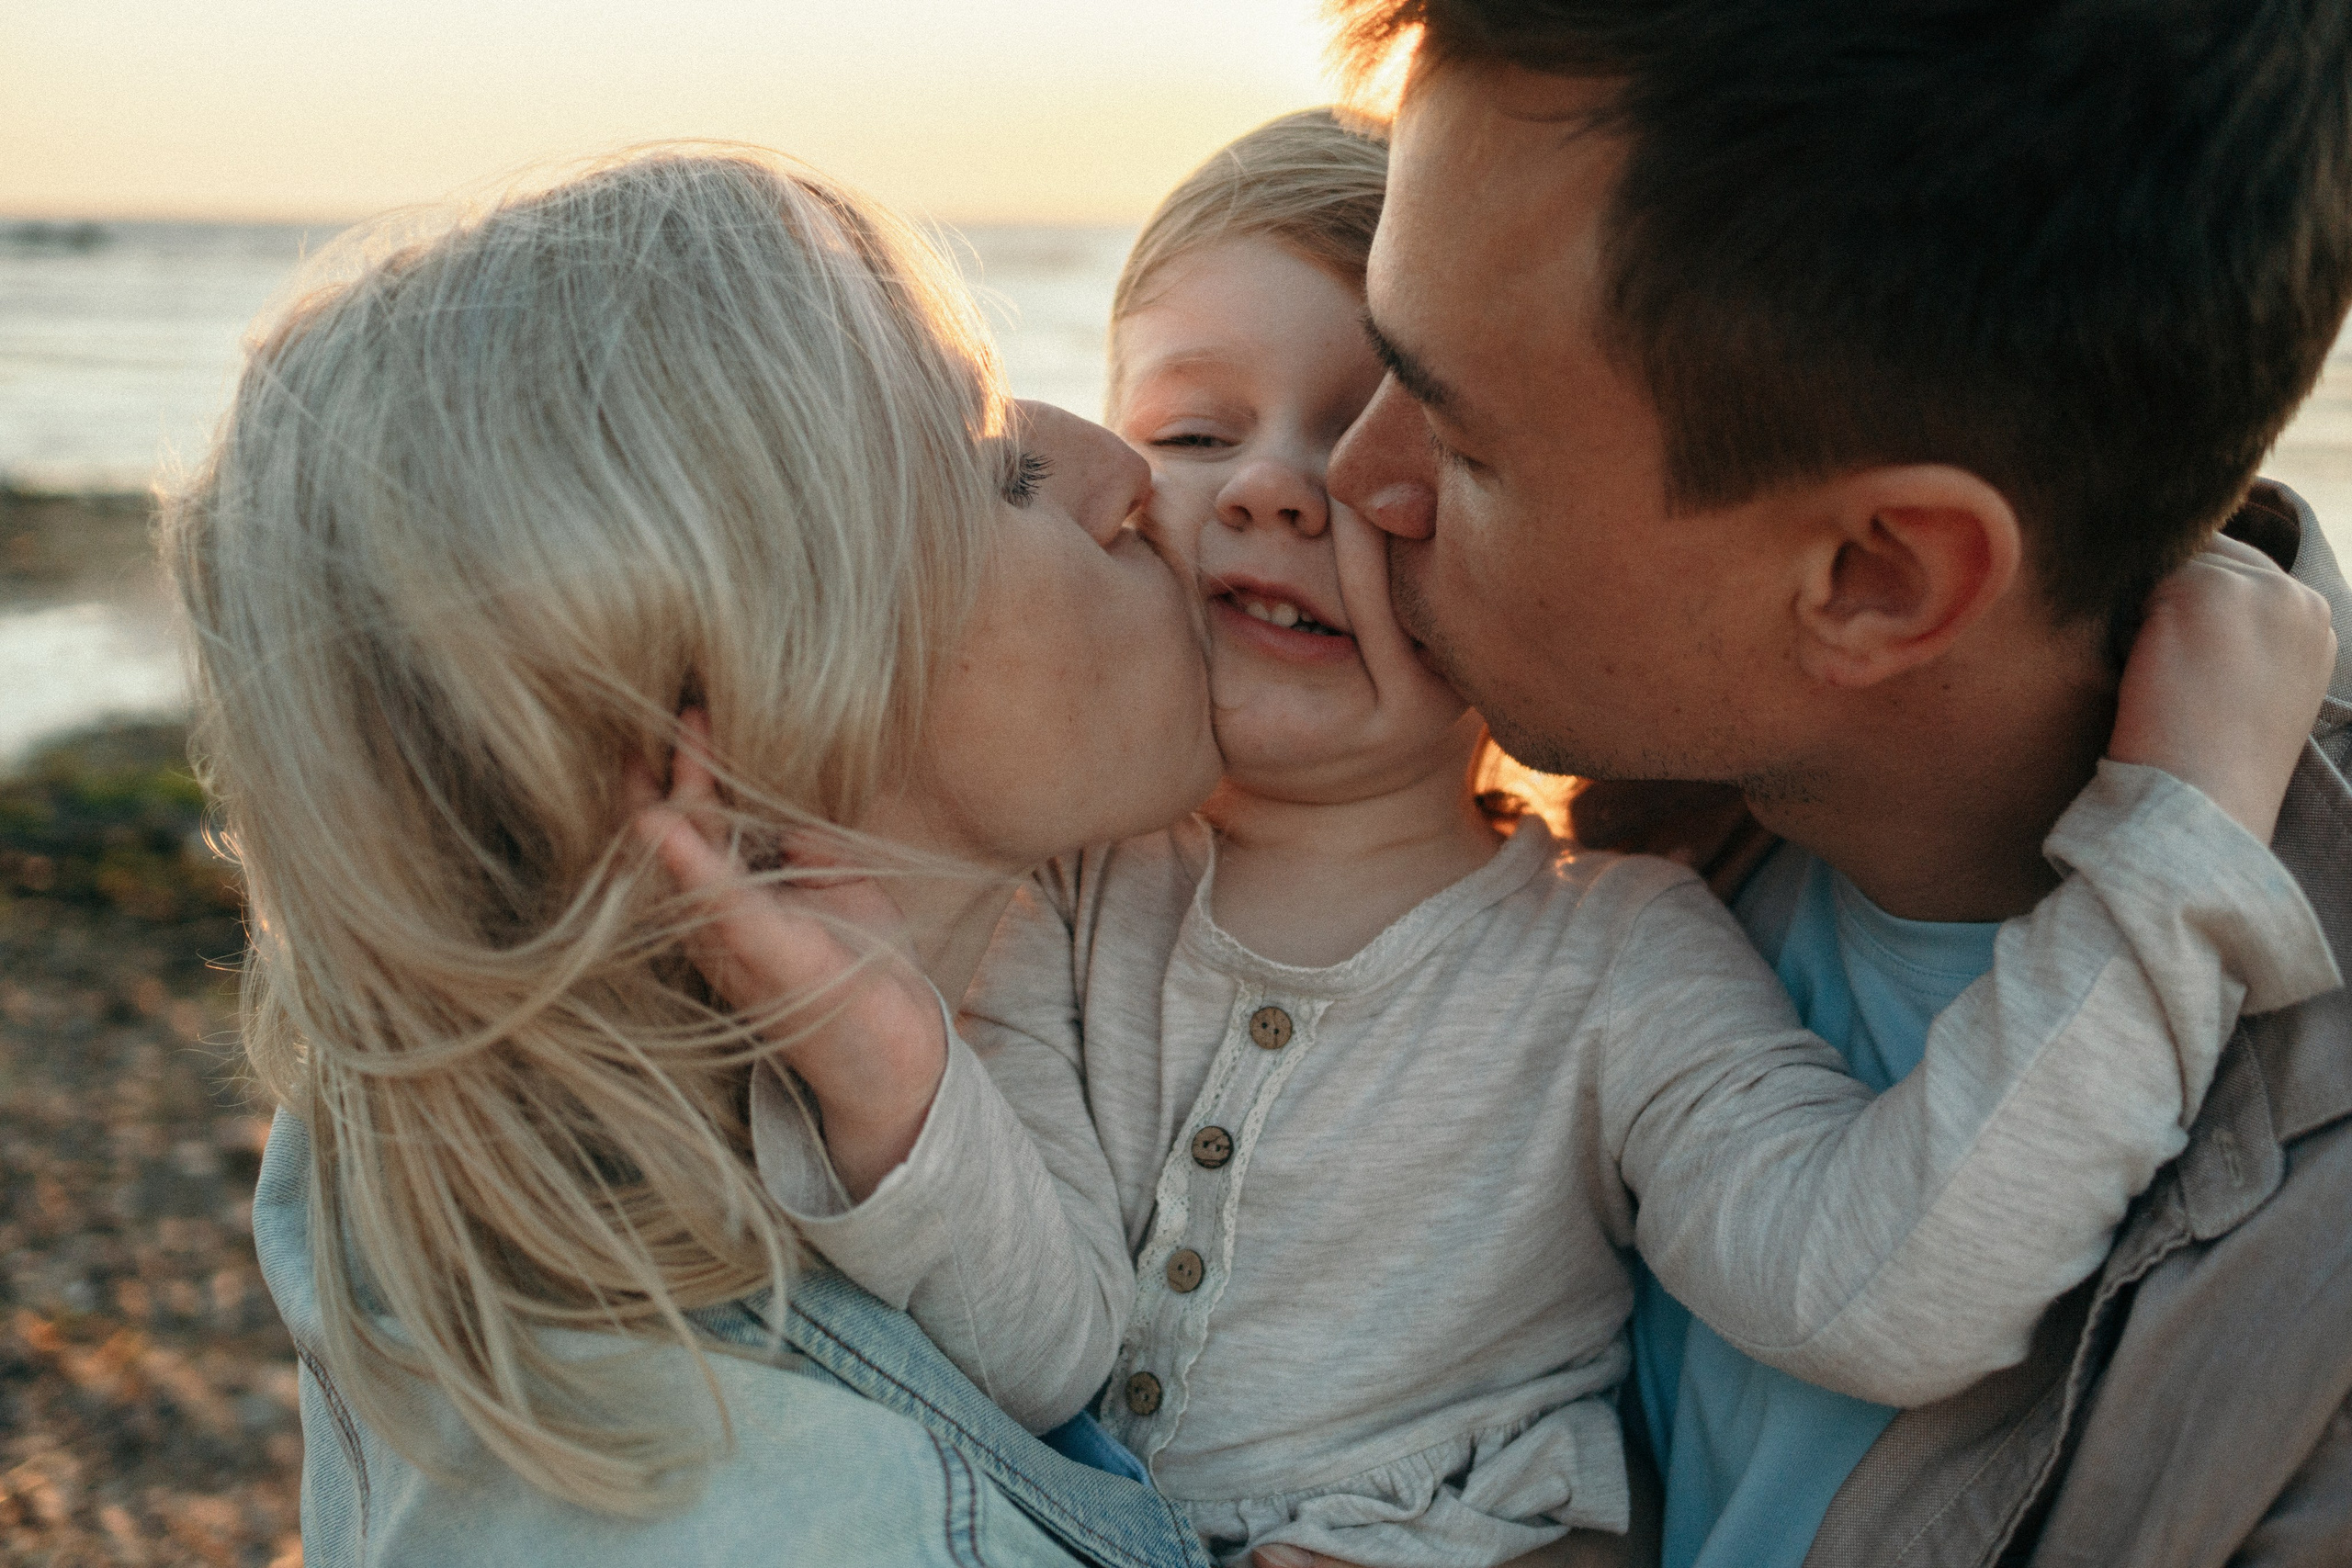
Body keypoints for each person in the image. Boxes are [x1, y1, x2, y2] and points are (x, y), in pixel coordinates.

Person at [644, 115, 2338, 1568]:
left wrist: (2168, 863)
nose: (1282, 491)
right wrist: (886, 1066)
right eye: (1192, 432)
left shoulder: (1623, 956)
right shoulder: (1056, 903)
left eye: (1421, 449)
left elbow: (1876, 1281)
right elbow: (1049, 1337)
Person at [1321, 4, 2352, 1565]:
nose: (1356, 474)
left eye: (1462, 445)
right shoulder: (1588, 834)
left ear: (1876, 579)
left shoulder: (2314, 1315)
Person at [167, 146, 1238, 1566]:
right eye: (1004, 469)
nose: (1125, 466)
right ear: (738, 751)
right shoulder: (827, 1535)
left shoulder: (425, 1171)